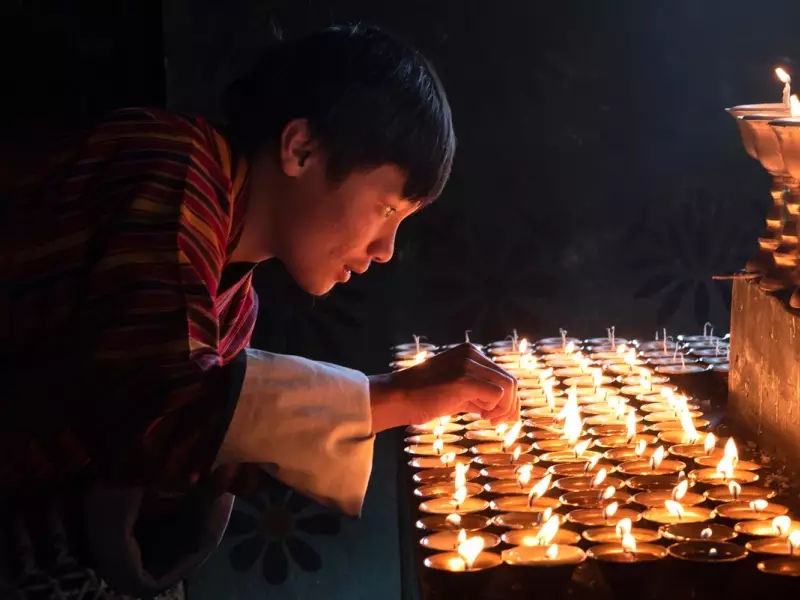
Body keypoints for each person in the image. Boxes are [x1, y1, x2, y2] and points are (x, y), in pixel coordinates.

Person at [0, 24, 517, 598]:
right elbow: (156, 413)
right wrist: (393, 396)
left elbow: (186, 453)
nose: (385, 250)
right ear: (301, 150)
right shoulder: (172, 166)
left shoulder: (235, 300)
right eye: (386, 209)